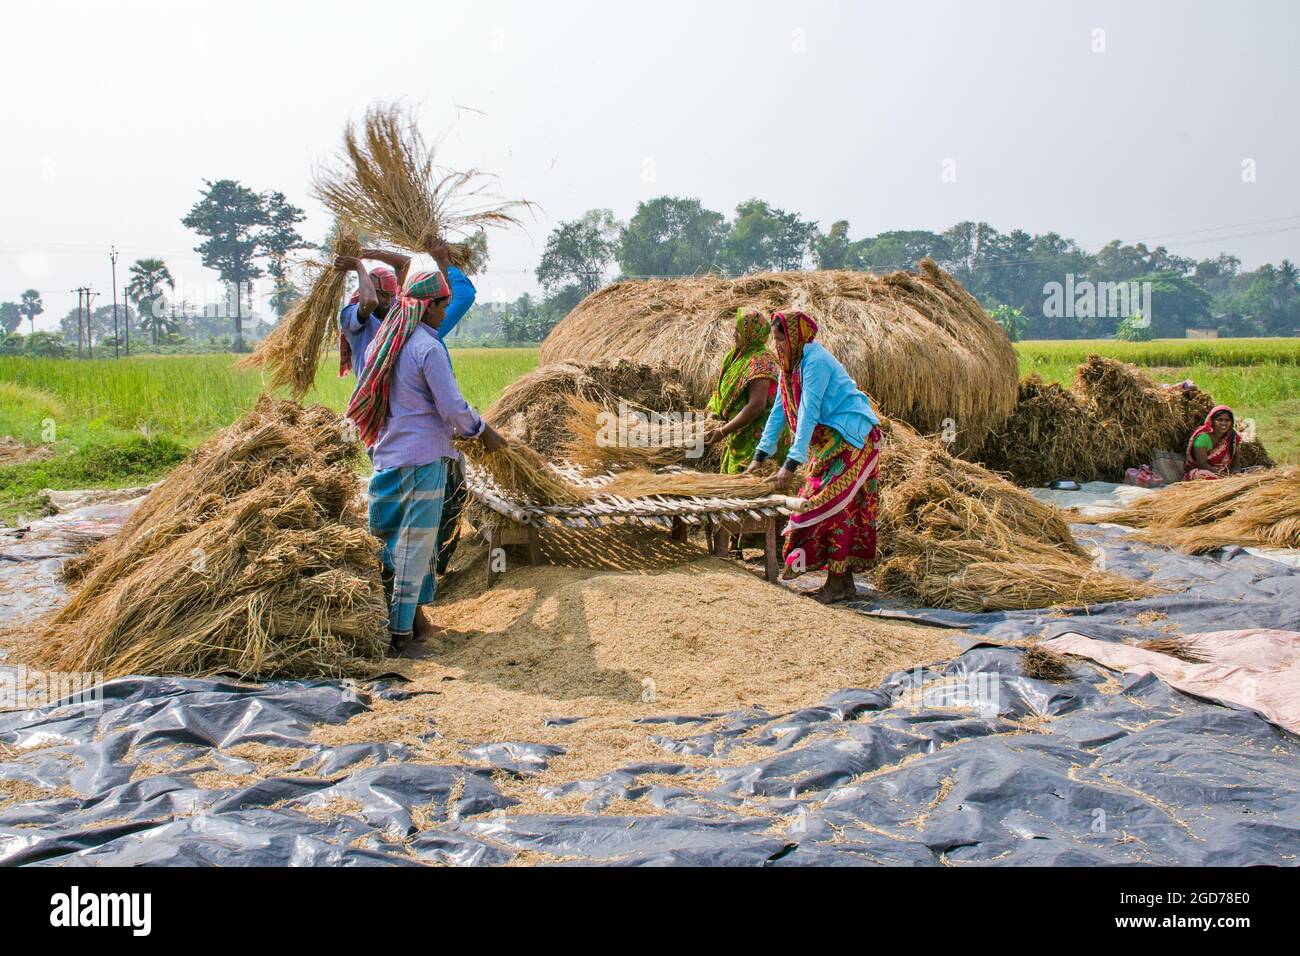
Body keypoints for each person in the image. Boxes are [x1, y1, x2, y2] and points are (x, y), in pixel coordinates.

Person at [345, 269, 506, 652]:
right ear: (427, 307)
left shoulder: (386, 342)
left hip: (387, 456)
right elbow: (451, 407)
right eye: (443, 306)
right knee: (414, 550)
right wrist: (483, 430)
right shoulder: (427, 349)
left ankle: (411, 626)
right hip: (422, 460)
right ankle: (402, 636)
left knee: (389, 543)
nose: (444, 314)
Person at [335, 241, 477, 575]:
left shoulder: (406, 327)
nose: (387, 301)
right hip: (389, 431)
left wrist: (369, 253)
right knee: (403, 511)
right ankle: (403, 577)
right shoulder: (360, 322)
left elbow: (406, 264)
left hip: (423, 436)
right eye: (383, 296)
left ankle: (431, 568)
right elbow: (370, 302)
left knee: (451, 497)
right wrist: (358, 266)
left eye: (392, 296)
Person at [746, 310, 882, 603]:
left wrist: (790, 464)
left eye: (781, 339)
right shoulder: (789, 367)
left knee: (827, 505)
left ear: (797, 337)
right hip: (829, 444)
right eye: (775, 339)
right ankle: (843, 584)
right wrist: (759, 456)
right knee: (832, 506)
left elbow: (809, 410)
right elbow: (779, 411)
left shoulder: (815, 362)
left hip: (855, 438)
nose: (777, 345)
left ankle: (837, 583)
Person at [703, 308, 784, 474]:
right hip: (736, 434)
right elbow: (719, 391)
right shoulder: (734, 357)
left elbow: (756, 405)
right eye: (735, 329)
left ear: (752, 334)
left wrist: (723, 431)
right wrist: (713, 415)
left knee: (751, 481)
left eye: (738, 331)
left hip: (756, 437)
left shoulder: (761, 361)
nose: (734, 334)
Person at [1183, 404, 1240, 480]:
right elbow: (1202, 465)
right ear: (1212, 421)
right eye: (1219, 420)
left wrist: (1236, 473)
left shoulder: (1234, 439)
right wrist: (1223, 475)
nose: (1223, 423)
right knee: (1204, 475)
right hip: (1203, 472)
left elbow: (1236, 465)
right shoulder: (1203, 438)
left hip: (1225, 475)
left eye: (1227, 420)